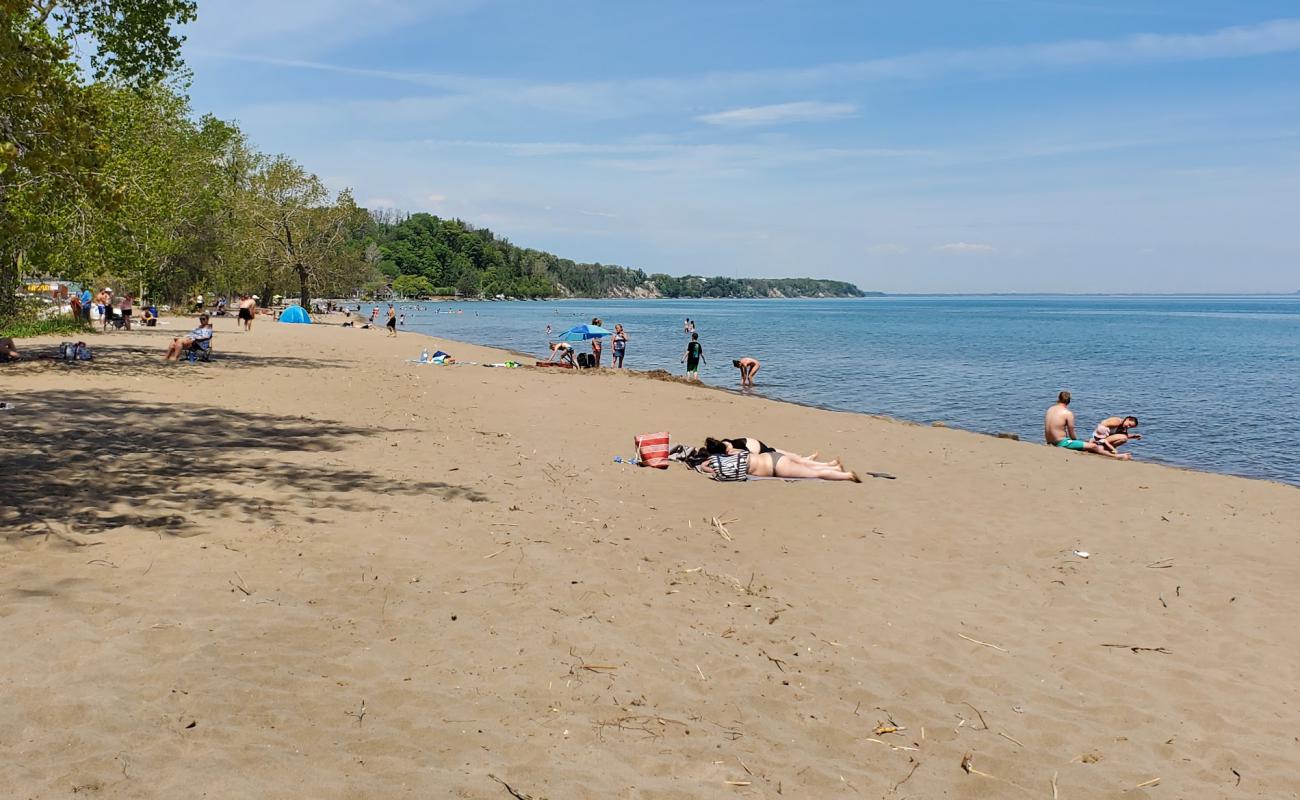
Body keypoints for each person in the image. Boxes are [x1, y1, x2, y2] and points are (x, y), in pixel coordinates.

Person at [1044, 391, 1130, 459]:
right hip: (1061, 443)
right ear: (1069, 401)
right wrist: (1075, 442)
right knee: (1094, 446)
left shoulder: (1050, 409)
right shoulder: (1067, 413)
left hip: (1050, 441)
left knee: (1085, 442)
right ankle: (1116, 456)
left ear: (1058, 398)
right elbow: (1072, 434)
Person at [696, 449, 861, 483]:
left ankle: (846, 476)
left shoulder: (724, 468)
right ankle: (835, 468)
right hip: (772, 456)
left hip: (776, 469)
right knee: (806, 469)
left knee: (813, 474)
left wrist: (704, 465)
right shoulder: (734, 454)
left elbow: (707, 467)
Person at [705, 437, 843, 470]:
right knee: (795, 459)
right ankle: (827, 465)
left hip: (764, 451)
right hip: (762, 448)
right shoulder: (726, 442)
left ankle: (828, 465)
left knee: (795, 461)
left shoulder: (728, 450)